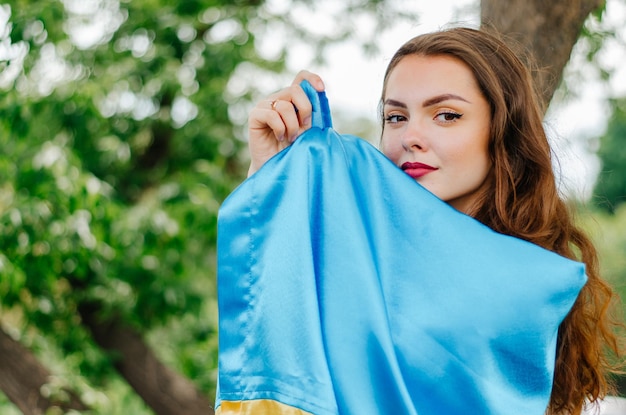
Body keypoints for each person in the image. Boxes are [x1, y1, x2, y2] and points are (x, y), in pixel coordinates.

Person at [239, 26, 622, 414]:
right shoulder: (358, 253)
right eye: (395, 116)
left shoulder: (527, 282)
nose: (411, 137)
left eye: (446, 115)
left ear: (501, 130)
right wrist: (272, 175)